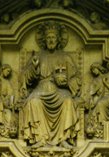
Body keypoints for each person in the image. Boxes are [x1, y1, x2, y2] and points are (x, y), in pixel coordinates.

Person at [19, 22, 80, 150]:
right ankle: (40, 138)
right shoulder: (38, 56)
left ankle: (64, 138)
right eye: (48, 38)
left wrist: (67, 82)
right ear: (44, 40)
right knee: (33, 102)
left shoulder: (65, 57)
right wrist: (34, 67)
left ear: (58, 40)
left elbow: (75, 77)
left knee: (68, 101)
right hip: (41, 88)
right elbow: (26, 77)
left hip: (59, 90)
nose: (51, 40)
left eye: (53, 37)